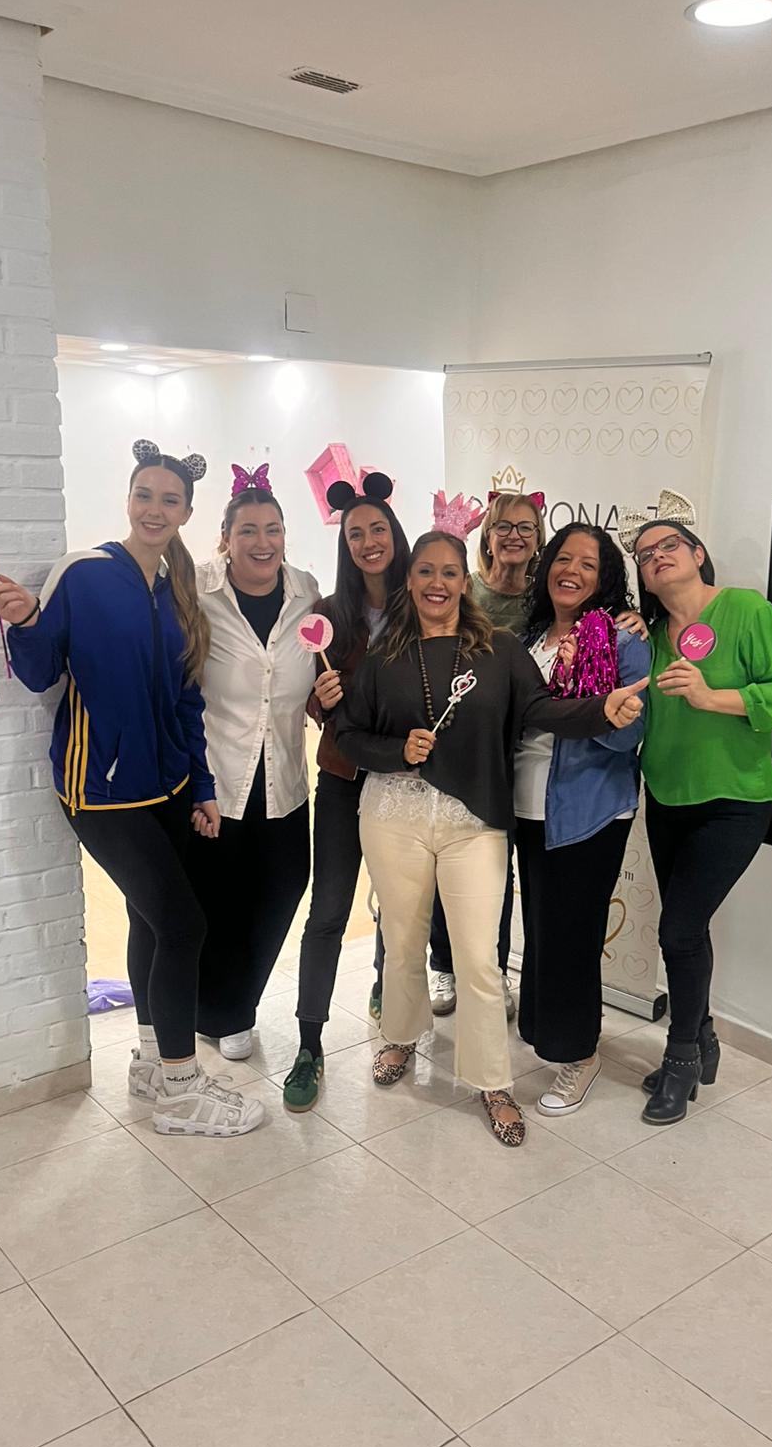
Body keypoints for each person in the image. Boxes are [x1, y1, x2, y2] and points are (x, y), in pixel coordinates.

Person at [0, 439, 264, 1139]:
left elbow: (187, 700)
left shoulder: (178, 591)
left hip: (168, 787)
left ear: (188, 512)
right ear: (129, 499)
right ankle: (181, 1088)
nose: (155, 509)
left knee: (151, 922)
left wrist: (201, 786)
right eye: (145, 495)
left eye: (170, 500)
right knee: (184, 926)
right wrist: (25, 621)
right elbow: (39, 673)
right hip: (101, 793)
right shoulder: (85, 572)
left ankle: (149, 1062)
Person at [335, 530, 649, 1146]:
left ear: (465, 582)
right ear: (409, 580)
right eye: (426, 571)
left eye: (449, 572)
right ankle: (400, 1034)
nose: (437, 583)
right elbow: (349, 735)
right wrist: (395, 751)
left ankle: (491, 1080)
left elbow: (541, 711)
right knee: (403, 942)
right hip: (394, 814)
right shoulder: (383, 652)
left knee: (480, 958)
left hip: (474, 821)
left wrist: (600, 711)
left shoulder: (501, 648)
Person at [623, 498, 772, 1125]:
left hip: (735, 801)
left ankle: (681, 1058)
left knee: (676, 930)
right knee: (688, 928)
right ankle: (702, 1039)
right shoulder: (649, 638)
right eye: (645, 555)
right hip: (667, 797)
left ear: (698, 554)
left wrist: (711, 696)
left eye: (668, 545)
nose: (657, 557)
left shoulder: (749, 611)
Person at [283, 472, 411, 1112]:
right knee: (328, 912)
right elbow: (311, 700)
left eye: (377, 529)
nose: (368, 542)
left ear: (395, 534)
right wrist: (320, 698)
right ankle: (309, 1044)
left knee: (397, 907)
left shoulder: (425, 603)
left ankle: (388, 989)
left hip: (406, 783)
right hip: (341, 779)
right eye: (355, 534)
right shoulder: (329, 616)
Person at [192, 464, 326, 1061]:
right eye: (248, 530)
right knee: (218, 902)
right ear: (226, 537)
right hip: (217, 780)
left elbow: (314, 672)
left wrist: (323, 697)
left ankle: (233, 1001)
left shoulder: (306, 591)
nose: (262, 542)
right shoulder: (198, 591)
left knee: (284, 888)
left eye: (273, 529)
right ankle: (223, 1013)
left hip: (285, 781)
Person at [515, 524, 650, 1114]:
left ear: (606, 578)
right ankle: (545, 1033)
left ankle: (579, 1055)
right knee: (542, 928)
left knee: (573, 935)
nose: (571, 571)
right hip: (527, 806)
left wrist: (596, 707)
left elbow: (631, 736)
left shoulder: (621, 639)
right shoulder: (529, 637)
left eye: (588, 565)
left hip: (588, 811)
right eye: (563, 559)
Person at [427, 480, 546, 1015]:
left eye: (525, 527)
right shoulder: (465, 590)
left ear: (537, 537)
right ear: (488, 537)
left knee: (499, 873)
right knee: (445, 865)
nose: (514, 536)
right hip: (458, 751)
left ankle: (492, 971)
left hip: (522, 756)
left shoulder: (546, 599)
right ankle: (443, 966)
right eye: (504, 527)